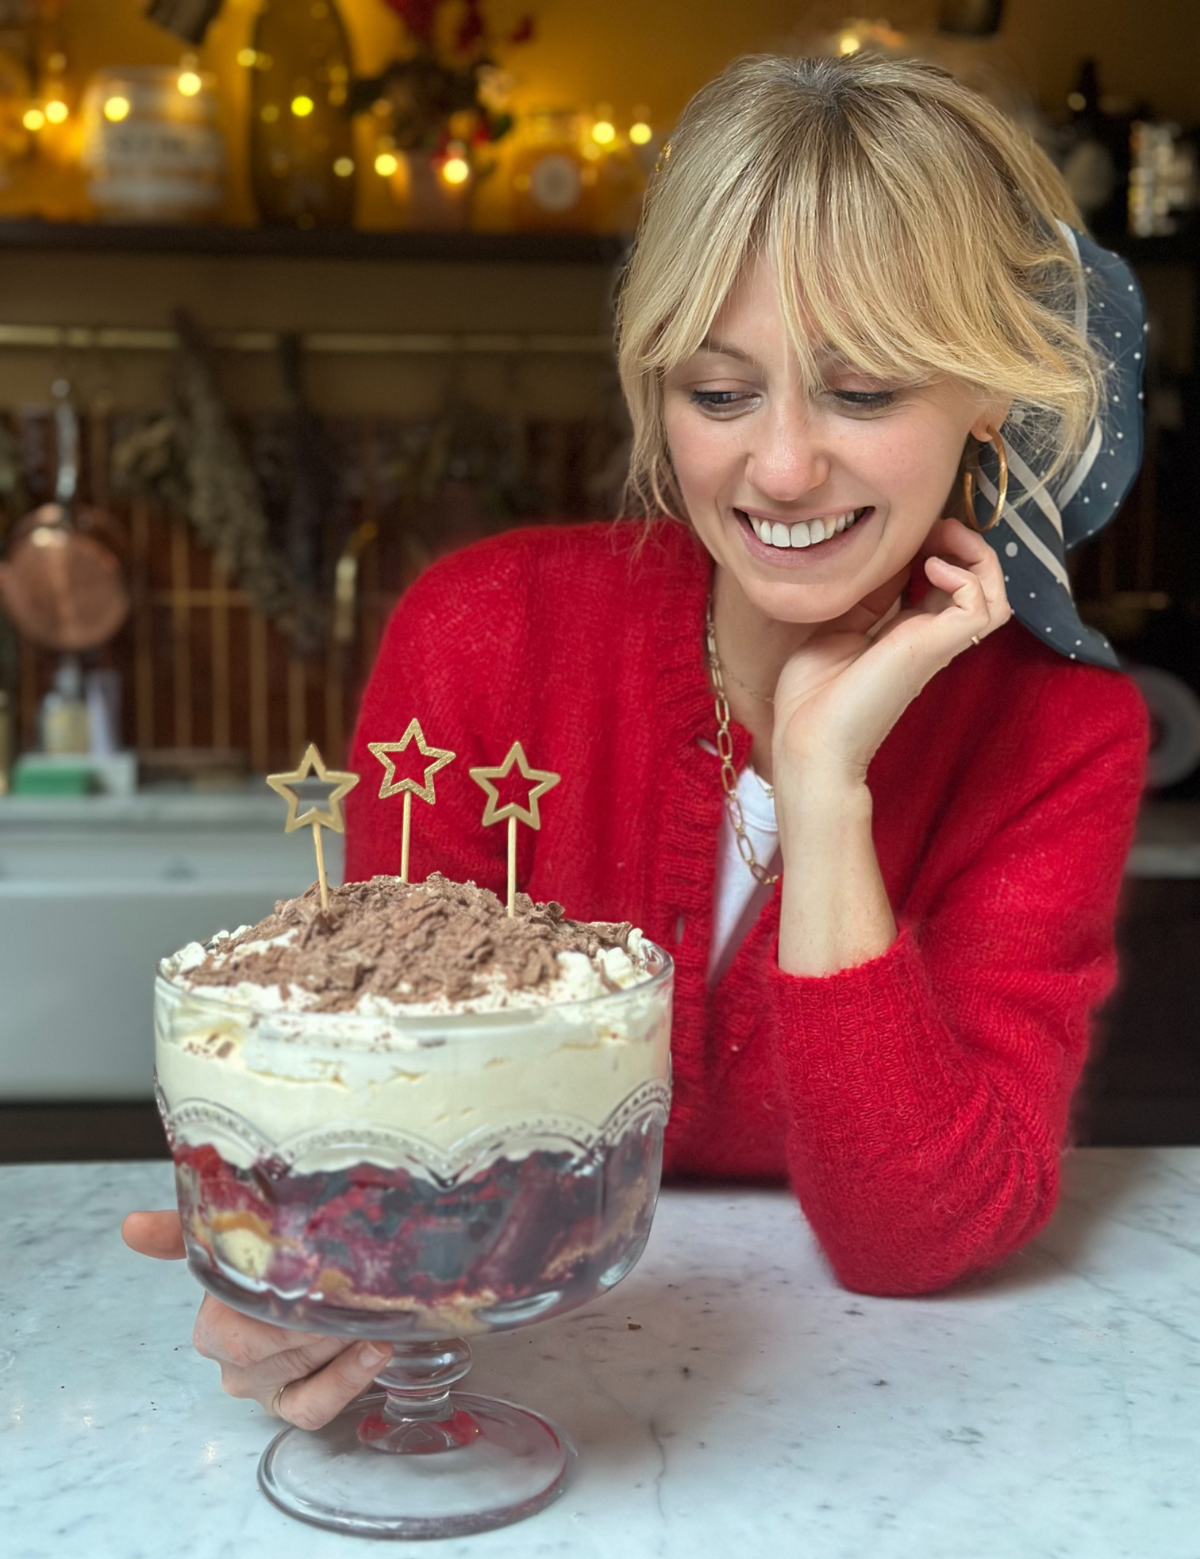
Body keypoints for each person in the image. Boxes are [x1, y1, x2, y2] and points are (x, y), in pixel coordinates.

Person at [124, 50, 1149, 1432]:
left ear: (987, 395)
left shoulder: (1062, 736)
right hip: (530, 1386)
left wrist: (826, 789)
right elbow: (382, 1125)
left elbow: (914, 1238)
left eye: (864, 393)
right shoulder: (482, 632)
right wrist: (300, 1287)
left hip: (864, 1427)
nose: (780, 469)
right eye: (719, 394)